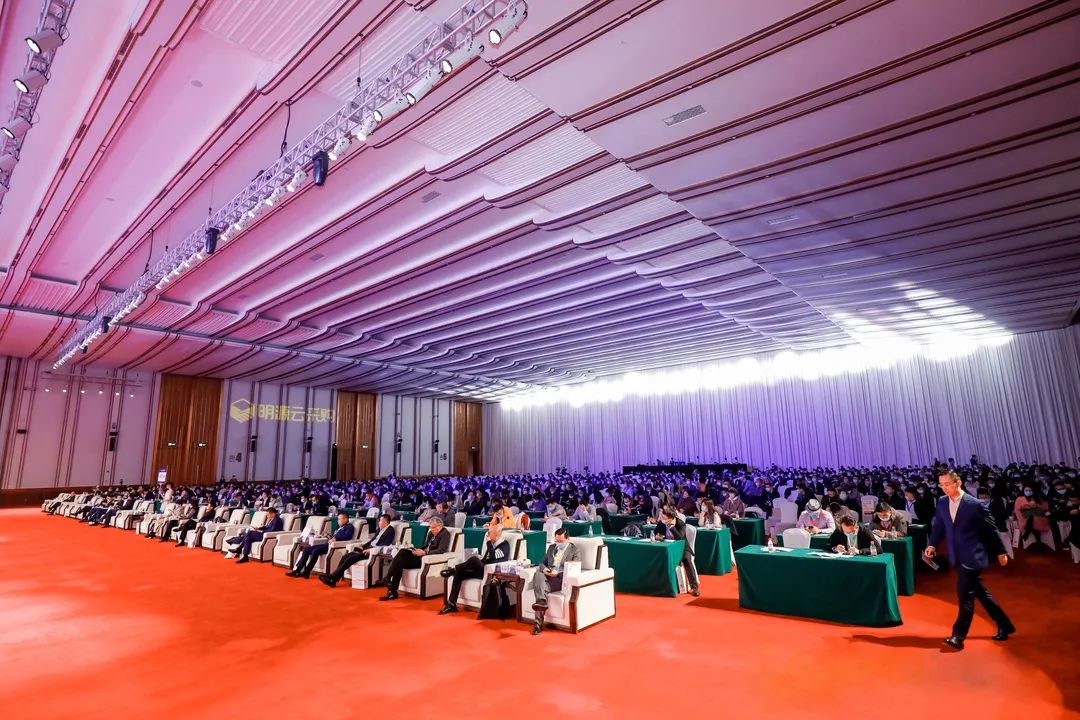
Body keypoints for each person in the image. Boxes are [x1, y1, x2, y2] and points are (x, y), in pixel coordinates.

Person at [925, 470, 1014, 651]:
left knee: (965, 595)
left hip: (973, 557)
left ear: (958, 483)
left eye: (947, 484)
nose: (944, 488)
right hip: (956, 556)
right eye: (941, 484)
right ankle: (1004, 624)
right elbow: (939, 526)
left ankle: (958, 636)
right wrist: (932, 544)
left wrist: (1001, 552)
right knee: (981, 593)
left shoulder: (975, 504)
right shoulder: (942, 502)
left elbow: (991, 529)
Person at [439, 524, 512, 614]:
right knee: (460, 573)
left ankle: (453, 570)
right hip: (482, 570)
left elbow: (493, 557)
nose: (488, 535)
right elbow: (485, 559)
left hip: (490, 573)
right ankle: (451, 604)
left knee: (474, 559)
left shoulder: (504, 545)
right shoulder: (492, 544)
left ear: (496, 535)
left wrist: (488, 543)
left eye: (489, 533)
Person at [380, 516, 451, 601]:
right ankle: (390, 587)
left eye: (433, 527)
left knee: (399, 562)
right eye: (430, 527)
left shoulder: (445, 534)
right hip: (421, 555)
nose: (431, 529)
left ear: (440, 526)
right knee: (402, 552)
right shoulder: (431, 533)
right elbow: (425, 546)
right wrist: (417, 550)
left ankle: (390, 587)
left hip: (426, 559)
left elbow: (441, 550)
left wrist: (424, 553)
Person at [319, 514, 396, 587]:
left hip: (373, 551)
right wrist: (363, 546)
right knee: (345, 556)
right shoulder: (379, 529)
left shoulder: (390, 530)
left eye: (380, 521)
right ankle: (334, 579)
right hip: (367, 548)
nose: (379, 522)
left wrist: (371, 549)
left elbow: (386, 544)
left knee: (350, 559)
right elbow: (372, 541)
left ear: (385, 522)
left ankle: (332, 578)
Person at [530, 528, 581, 635]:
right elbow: (542, 563)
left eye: (561, 541)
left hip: (560, 578)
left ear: (568, 539)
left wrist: (558, 572)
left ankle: (538, 624)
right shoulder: (551, 547)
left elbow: (575, 567)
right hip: (548, 575)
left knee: (541, 588)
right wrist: (545, 569)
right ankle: (542, 602)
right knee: (538, 574)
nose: (558, 543)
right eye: (556, 540)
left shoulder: (575, 550)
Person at [287, 512, 355, 579]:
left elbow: (347, 537)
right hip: (328, 544)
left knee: (315, 551)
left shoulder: (349, 527)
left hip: (334, 546)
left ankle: (307, 572)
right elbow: (334, 536)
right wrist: (329, 536)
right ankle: (298, 570)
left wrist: (335, 539)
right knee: (306, 549)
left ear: (346, 519)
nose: (338, 521)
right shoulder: (340, 527)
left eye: (339, 519)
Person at [654, 507, 700, 596]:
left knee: (686, 559)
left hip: (682, 547)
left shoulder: (680, 524)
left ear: (671, 518)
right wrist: (659, 536)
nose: (662, 520)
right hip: (667, 547)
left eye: (665, 518)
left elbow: (680, 538)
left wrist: (672, 527)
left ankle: (694, 587)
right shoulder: (662, 523)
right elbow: (656, 532)